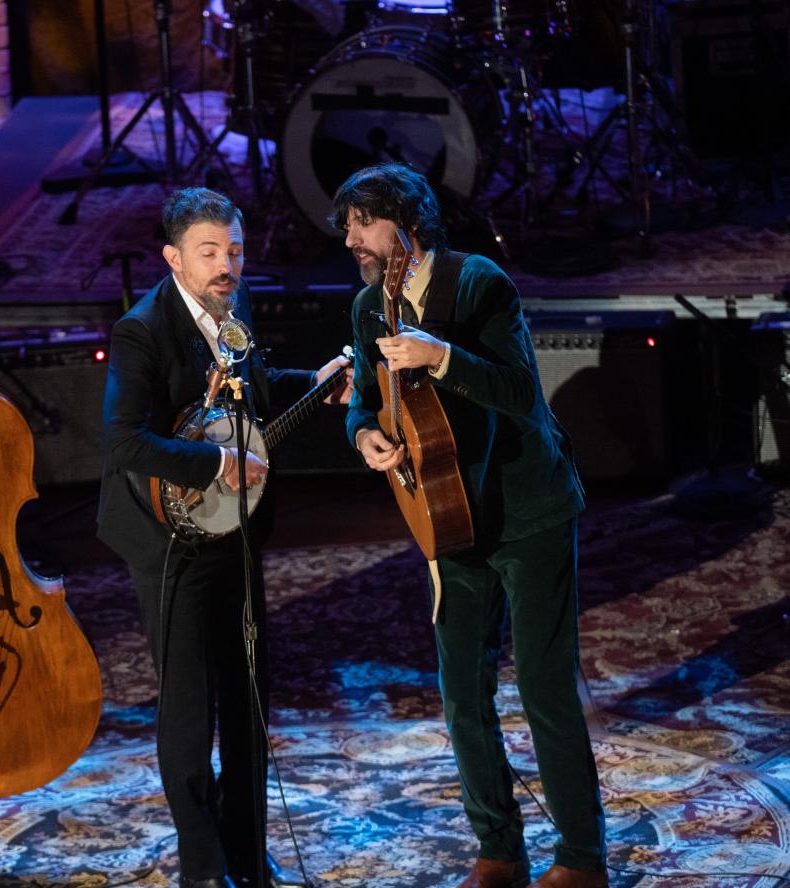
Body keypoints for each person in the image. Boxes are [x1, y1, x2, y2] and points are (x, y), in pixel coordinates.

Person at [336, 163, 607, 888]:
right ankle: (498, 849)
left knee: (545, 689)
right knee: (462, 691)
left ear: (409, 225)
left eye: (365, 222)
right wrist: (365, 437)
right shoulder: (369, 308)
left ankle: (581, 859)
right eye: (348, 227)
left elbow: (520, 391)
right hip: (447, 518)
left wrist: (443, 356)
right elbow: (364, 401)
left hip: (528, 510)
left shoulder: (479, 281)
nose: (353, 238)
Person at [97, 187, 351, 888]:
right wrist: (215, 462)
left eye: (234, 250)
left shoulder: (233, 313)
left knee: (247, 697)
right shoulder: (141, 330)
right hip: (167, 542)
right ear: (174, 258)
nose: (226, 264)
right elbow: (122, 442)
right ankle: (202, 868)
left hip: (232, 532)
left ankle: (246, 852)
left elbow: (260, 393)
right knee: (188, 706)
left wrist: (319, 384)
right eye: (209, 252)